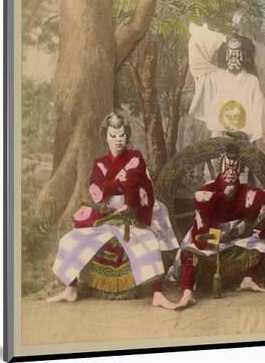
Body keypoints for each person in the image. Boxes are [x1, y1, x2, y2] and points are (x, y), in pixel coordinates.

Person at [46, 113, 179, 309]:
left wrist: (127, 199)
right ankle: (70, 288)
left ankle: (157, 293)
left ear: (127, 135)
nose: (118, 140)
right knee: (70, 239)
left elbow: (141, 187)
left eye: (122, 134)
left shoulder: (135, 158)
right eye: (113, 135)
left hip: (129, 218)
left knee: (149, 241)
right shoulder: (100, 163)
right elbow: (98, 193)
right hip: (107, 218)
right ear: (106, 136)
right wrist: (120, 187)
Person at [173, 144, 265, 309]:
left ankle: (248, 279)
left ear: (239, 171)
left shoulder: (244, 191)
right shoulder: (208, 188)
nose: (231, 173)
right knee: (190, 252)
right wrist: (221, 196)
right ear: (220, 168)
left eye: (235, 169)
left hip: (233, 235)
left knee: (262, 245)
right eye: (227, 168)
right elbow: (200, 210)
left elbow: (262, 196)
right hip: (206, 234)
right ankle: (188, 293)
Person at [187, 22, 265, 146]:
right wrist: (223, 39)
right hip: (218, 136)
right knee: (216, 160)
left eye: (237, 55)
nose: (233, 60)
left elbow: (262, 114)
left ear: (243, 57)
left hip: (243, 139)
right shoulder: (216, 77)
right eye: (230, 55)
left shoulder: (251, 81)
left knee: (244, 162)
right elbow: (197, 50)